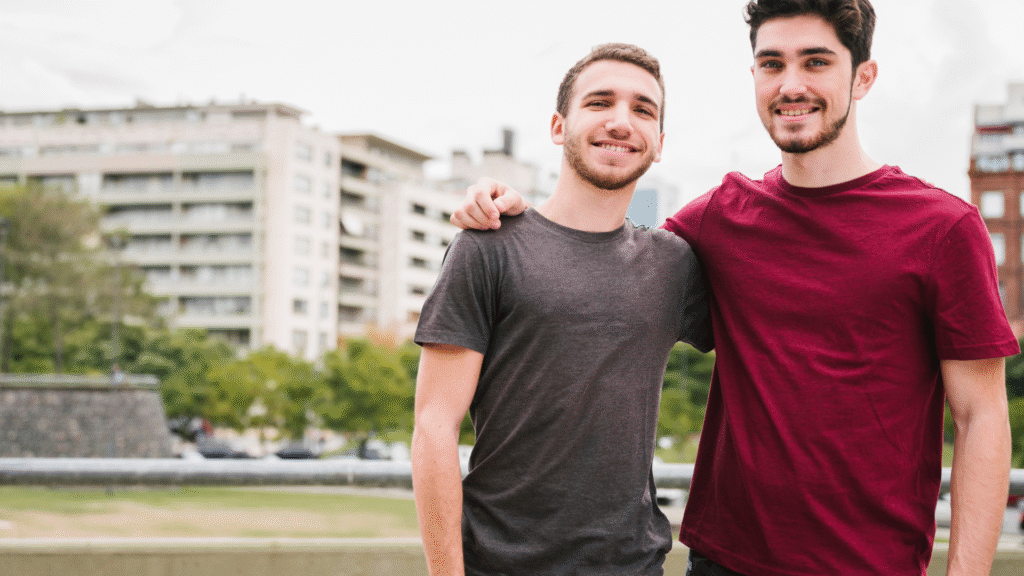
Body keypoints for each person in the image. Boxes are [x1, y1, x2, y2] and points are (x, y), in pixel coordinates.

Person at [450, 1, 1018, 575]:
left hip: (870, 565)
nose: (791, 84)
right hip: (722, 562)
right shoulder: (721, 216)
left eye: (816, 62)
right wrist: (514, 209)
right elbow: (601, 256)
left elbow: (982, 417)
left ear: (862, 77)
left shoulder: (943, 227)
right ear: (754, 78)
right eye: (772, 64)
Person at [411, 43, 712, 576]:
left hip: (635, 566)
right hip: (500, 566)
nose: (622, 122)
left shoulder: (675, 265)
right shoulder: (488, 245)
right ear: (558, 126)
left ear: (659, 144)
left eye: (642, 110)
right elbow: (435, 425)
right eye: (600, 103)